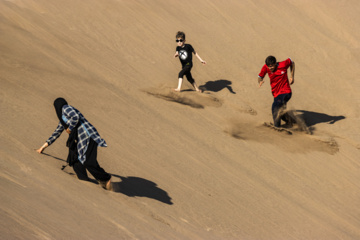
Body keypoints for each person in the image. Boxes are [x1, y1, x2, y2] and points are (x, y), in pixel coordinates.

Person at [36, 98, 112, 190]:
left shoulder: (65, 108)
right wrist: (42, 147)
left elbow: (75, 116)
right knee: (74, 159)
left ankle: (105, 179)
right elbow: (56, 134)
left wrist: (70, 128)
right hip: (80, 140)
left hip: (88, 135)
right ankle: (83, 178)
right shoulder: (63, 120)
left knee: (88, 161)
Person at [258, 56, 295, 127]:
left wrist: (292, 76)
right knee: (282, 113)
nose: (270, 68)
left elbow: (292, 62)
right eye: (269, 66)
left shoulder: (283, 64)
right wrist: (260, 81)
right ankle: (294, 122)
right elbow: (260, 77)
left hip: (286, 91)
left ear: (275, 63)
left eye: (271, 66)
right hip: (276, 94)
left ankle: (277, 127)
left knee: (275, 106)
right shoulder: (265, 67)